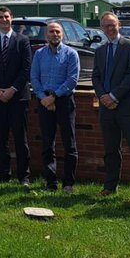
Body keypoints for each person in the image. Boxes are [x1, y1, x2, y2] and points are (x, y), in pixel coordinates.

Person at [92, 11, 130, 205]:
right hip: (107, 108)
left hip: (128, 107)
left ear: (119, 25)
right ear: (102, 28)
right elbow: (96, 77)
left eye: (113, 25)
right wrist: (103, 96)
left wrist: (114, 96)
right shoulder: (100, 50)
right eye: (106, 26)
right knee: (111, 150)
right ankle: (110, 186)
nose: (110, 29)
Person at [0, 5, 33, 185]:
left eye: (6, 17)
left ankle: (23, 176)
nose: (3, 20)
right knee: (1, 138)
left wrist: (12, 90)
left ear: (12, 18)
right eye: (0, 17)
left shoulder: (22, 40)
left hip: (18, 97)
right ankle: (3, 175)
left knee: (20, 138)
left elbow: (26, 68)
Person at [30, 21, 80, 193]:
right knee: (47, 143)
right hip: (44, 102)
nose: (54, 34)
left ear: (62, 34)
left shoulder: (71, 54)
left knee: (69, 144)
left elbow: (72, 79)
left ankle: (68, 183)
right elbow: (34, 78)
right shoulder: (39, 55)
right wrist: (44, 98)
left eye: (57, 31)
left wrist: (54, 96)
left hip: (64, 101)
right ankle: (51, 182)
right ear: (46, 35)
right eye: (51, 31)